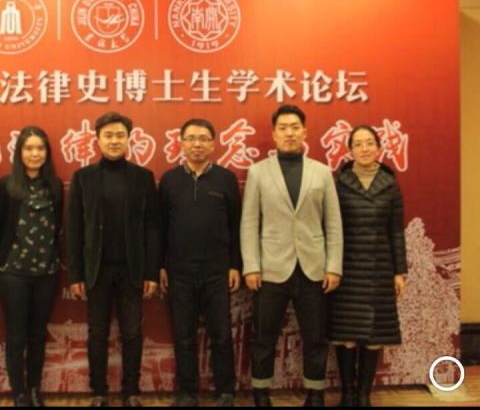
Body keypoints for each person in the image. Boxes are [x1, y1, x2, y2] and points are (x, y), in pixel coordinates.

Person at [241, 104, 343, 407]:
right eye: (283, 127)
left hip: (313, 268)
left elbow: (333, 222)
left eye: (295, 127)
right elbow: (249, 222)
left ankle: (315, 393)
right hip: (271, 268)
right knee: (264, 337)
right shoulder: (258, 172)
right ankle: (261, 392)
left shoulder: (321, 172)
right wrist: (251, 266)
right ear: (274, 134)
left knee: (315, 337)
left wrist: (333, 266)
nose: (289, 133)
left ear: (304, 132)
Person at [66, 112, 161, 407]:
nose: (114, 141)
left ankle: (131, 391)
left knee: (132, 332)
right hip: (97, 270)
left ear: (129, 139)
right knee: (97, 332)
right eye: (108, 135)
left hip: (132, 270)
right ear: (97, 140)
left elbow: (152, 228)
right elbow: (73, 229)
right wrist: (75, 274)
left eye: (120, 135)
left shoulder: (143, 177)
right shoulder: (83, 178)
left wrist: (151, 272)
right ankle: (99, 392)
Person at [158, 119, 241, 408]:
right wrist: (161, 265)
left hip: (217, 271)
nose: (197, 144)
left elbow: (236, 225)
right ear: (181, 143)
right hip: (179, 272)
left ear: (213, 144)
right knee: (184, 337)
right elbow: (160, 227)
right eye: (191, 138)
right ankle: (188, 392)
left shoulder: (226, 179)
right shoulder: (169, 180)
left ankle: (225, 392)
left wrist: (235, 265)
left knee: (221, 335)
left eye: (203, 138)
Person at [328, 125, 407, 407]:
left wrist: (399, 271)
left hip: (379, 268)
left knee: (375, 335)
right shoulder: (339, 183)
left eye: (369, 143)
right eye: (358, 144)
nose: (364, 148)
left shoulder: (390, 184)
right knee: (346, 335)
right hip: (346, 268)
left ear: (378, 148)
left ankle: (364, 394)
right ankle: (348, 393)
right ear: (350, 150)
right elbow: (331, 227)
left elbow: (396, 231)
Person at [0, 126, 63, 407]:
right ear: (19, 152)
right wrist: (7, 259)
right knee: (16, 335)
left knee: (37, 334)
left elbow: (57, 226)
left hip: (47, 272)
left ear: (47, 153)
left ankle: (34, 389)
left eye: (40, 148)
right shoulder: (8, 186)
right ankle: (18, 392)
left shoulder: (54, 186)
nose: (35, 154)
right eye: (29, 148)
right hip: (14, 274)